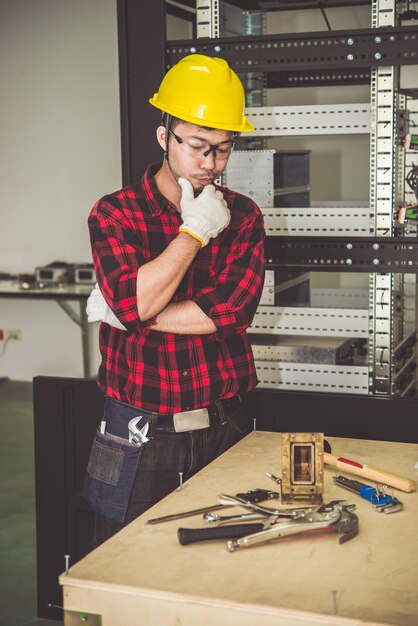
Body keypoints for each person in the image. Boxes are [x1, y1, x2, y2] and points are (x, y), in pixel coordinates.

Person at [82, 54, 265, 546]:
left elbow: (230, 313)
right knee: (120, 556)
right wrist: (194, 233)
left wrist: (127, 309)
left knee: (228, 558)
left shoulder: (244, 216)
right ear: (164, 137)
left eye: (224, 150)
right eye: (198, 146)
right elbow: (134, 305)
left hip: (225, 422)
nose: (210, 164)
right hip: (135, 428)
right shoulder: (115, 214)